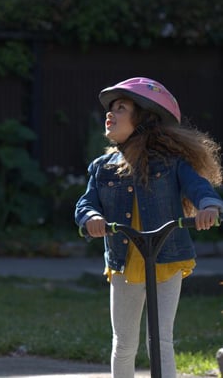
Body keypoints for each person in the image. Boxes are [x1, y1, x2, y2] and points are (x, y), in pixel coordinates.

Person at [75, 77, 222, 378]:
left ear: (144, 118)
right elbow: (85, 204)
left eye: (121, 107)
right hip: (125, 264)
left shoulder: (171, 163)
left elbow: (198, 186)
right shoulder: (102, 168)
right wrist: (91, 219)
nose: (110, 114)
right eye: (110, 108)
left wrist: (209, 206)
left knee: (161, 340)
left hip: (167, 259)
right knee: (125, 343)